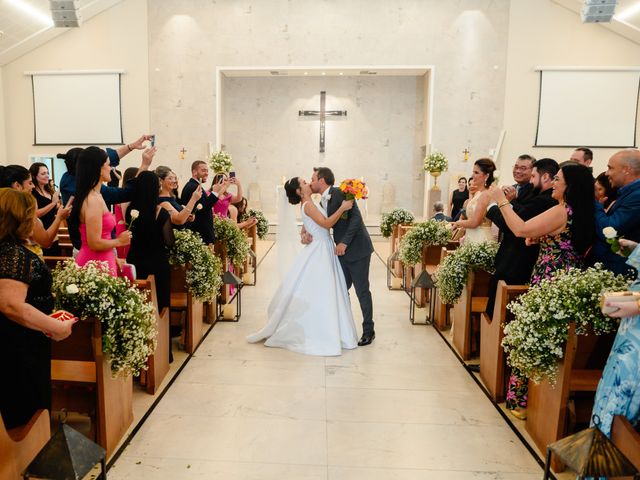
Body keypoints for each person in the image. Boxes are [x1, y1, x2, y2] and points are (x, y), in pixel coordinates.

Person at [489, 162, 595, 418]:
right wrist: (542, 237)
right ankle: (541, 400)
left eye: (558, 179)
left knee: (532, 334)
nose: (554, 183)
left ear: (570, 186)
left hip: (549, 278)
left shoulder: (562, 210)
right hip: (565, 276)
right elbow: (563, 239)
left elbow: (520, 228)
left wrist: (501, 201)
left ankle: (522, 402)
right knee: (550, 338)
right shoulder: (579, 211)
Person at [247, 177, 357, 355]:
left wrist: (305, 232)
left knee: (325, 290)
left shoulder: (308, 203)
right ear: (299, 191)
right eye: (304, 183)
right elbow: (327, 224)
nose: (308, 184)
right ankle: (322, 331)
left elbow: (312, 224)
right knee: (323, 290)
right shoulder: (308, 205)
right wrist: (343, 208)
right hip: (321, 248)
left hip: (322, 246)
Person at [0, 188, 75, 429]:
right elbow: (11, 305)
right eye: (32, 215)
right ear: (19, 218)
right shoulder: (13, 253)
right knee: (24, 407)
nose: (36, 220)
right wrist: (56, 326)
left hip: (21, 339)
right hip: (19, 345)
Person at [309, 167, 376, 346]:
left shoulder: (340, 193)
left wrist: (344, 242)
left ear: (322, 180)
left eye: (313, 179)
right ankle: (343, 327)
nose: (311, 182)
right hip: (341, 253)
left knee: (362, 291)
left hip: (357, 250)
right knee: (340, 290)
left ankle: (369, 330)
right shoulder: (322, 200)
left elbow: (356, 219)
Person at [485, 158, 559, 317]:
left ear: (544, 177)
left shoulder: (545, 199)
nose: (531, 181)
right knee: (495, 307)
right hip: (512, 258)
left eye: (532, 175)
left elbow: (517, 225)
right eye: (516, 166)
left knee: (499, 312)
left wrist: (497, 204)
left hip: (517, 261)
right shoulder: (534, 193)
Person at [591, 238, 640, 439]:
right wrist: (636, 250)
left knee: (622, 404)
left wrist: (637, 304)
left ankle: (605, 465)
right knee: (610, 395)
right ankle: (596, 461)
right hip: (631, 333)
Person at [71, 147, 132, 276]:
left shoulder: (96, 195)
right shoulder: (92, 200)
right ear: (98, 168)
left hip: (102, 259)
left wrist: (113, 257)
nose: (110, 168)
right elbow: (94, 243)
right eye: (108, 165)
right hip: (95, 262)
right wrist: (119, 241)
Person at [0, 165, 71, 255]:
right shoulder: (25, 212)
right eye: (30, 183)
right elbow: (46, 241)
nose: (33, 186)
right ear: (17, 185)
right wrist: (59, 217)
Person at [592, 149, 640, 277]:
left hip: (624, 270)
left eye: (610, 168)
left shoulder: (637, 196)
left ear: (627, 169)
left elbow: (610, 230)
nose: (607, 173)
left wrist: (595, 203)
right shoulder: (628, 193)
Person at [452, 158, 496, 244]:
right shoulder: (478, 193)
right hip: (472, 235)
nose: (472, 176)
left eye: (476, 172)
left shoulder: (486, 194)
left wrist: (458, 223)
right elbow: (469, 215)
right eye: (473, 172)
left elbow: (475, 222)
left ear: (486, 176)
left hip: (480, 238)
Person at [180, 160, 225, 245]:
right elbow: (204, 208)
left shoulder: (194, 185)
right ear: (194, 172)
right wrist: (214, 192)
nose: (207, 173)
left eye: (207, 171)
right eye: (203, 170)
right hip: (200, 234)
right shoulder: (194, 186)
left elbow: (203, 205)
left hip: (201, 233)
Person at [30, 163, 62, 256]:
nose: (47, 175)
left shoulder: (49, 191)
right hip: (41, 235)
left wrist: (59, 207)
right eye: (43, 173)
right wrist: (53, 204)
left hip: (54, 234)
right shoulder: (32, 193)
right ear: (34, 176)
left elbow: (54, 209)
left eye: (48, 173)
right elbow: (35, 214)